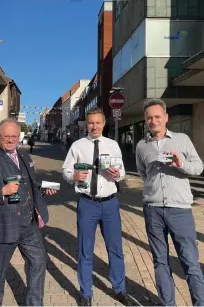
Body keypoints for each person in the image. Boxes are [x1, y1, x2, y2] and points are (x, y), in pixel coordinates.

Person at [0, 118, 57, 306]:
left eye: (14, 136)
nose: (10, 140)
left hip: (28, 224)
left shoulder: (25, 156)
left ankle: (34, 304)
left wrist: (45, 189)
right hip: (3, 226)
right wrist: (1, 192)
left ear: (19, 137)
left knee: (38, 262)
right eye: (6, 137)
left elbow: (31, 185)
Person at [136, 99, 204, 306]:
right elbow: (142, 173)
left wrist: (180, 164)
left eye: (157, 117)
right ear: (145, 121)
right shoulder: (141, 146)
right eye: (149, 118)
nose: (153, 121)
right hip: (153, 210)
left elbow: (198, 167)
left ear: (166, 118)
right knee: (160, 262)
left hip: (180, 210)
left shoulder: (182, 140)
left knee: (190, 262)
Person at [62, 108, 130, 306]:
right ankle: (86, 293)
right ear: (86, 125)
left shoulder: (113, 145)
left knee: (115, 248)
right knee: (85, 249)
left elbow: (123, 172)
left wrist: (117, 174)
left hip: (110, 203)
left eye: (98, 122)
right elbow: (66, 169)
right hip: (87, 203)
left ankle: (119, 288)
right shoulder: (77, 146)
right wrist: (73, 176)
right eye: (91, 123)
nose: (94, 126)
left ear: (103, 123)